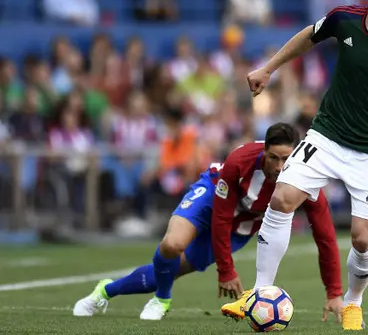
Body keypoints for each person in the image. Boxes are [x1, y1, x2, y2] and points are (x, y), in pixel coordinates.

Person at [221, 0, 368, 331]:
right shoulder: (344, 18)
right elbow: (309, 34)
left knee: (362, 239)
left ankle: (353, 302)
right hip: (328, 135)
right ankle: (259, 292)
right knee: (282, 198)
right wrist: (270, 68)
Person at [73, 123, 344, 322]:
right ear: (265, 152)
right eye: (273, 158)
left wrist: (334, 290)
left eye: (286, 159)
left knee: (171, 269)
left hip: (243, 227)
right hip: (212, 197)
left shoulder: (306, 183)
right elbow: (222, 215)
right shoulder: (240, 161)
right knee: (172, 244)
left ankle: (105, 291)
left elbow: (325, 236)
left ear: (296, 155)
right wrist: (226, 270)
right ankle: (162, 300)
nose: (278, 166)